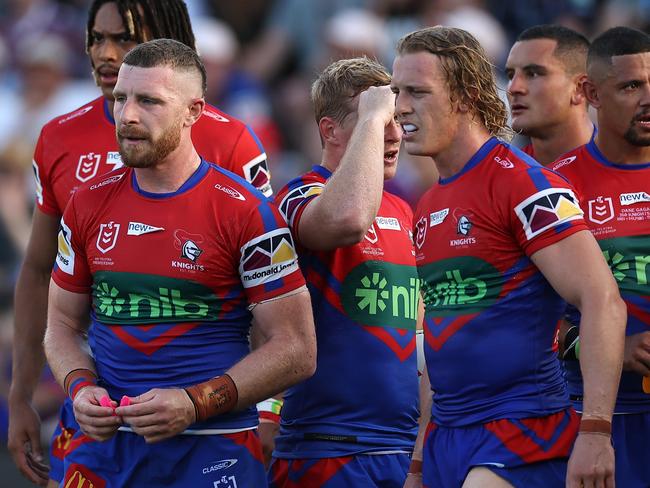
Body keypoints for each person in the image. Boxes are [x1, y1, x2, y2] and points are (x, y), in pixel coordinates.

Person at [8, 1, 272, 486]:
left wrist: (268, 407)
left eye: (125, 39)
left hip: (207, 431)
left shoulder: (232, 142)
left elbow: (270, 300)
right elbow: (38, 270)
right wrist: (21, 394)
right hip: (97, 419)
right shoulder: (58, 136)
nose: (107, 54)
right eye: (96, 38)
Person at [43, 38, 316, 487]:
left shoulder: (244, 209)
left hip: (212, 443)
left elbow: (297, 350)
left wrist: (195, 402)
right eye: (120, 99)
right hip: (108, 449)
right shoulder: (86, 203)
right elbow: (61, 326)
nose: (127, 115)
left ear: (193, 112)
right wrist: (79, 387)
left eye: (149, 101)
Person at [391, 26, 626, 488]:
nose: (400, 107)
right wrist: (418, 462)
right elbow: (438, 343)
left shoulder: (524, 183)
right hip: (446, 438)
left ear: (465, 95)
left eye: (417, 92)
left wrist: (596, 431)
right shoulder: (427, 205)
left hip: (522, 430)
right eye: (397, 91)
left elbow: (602, 300)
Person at [268, 57, 420, 487]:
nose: (394, 135)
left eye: (397, 121)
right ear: (329, 130)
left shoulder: (403, 209)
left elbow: (420, 332)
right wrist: (373, 117)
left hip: (403, 447)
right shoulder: (299, 195)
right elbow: (348, 218)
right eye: (378, 122)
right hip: (329, 446)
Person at [552, 26, 650, 488]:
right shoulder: (554, 189)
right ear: (591, 93)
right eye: (631, 86)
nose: (648, 99)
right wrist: (614, 348)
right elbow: (524, 318)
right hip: (598, 421)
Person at [505, 24, 594, 166]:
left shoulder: (633, 165)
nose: (514, 88)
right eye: (510, 75)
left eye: (532, 74)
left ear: (579, 88)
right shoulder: (500, 178)